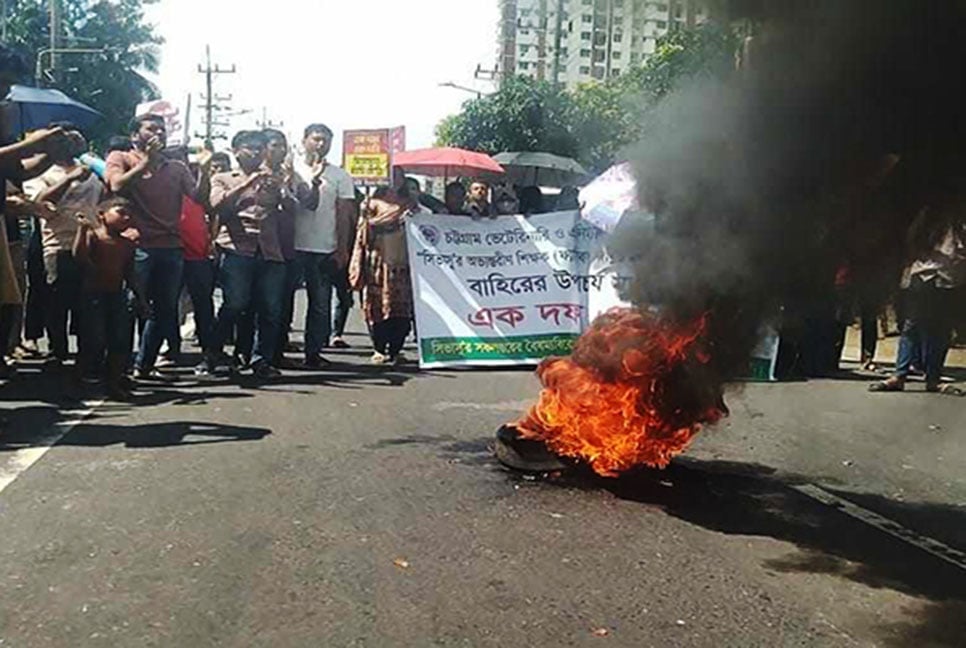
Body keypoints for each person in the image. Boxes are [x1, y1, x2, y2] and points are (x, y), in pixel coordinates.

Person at [104, 114, 210, 380]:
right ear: (134, 136)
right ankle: (118, 365)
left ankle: (144, 365)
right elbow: (116, 183)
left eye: (162, 130)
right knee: (130, 305)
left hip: (171, 246)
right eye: (151, 129)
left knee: (163, 309)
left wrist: (205, 171)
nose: (158, 133)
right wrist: (146, 163)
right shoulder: (121, 157)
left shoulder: (176, 167)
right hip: (137, 245)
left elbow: (198, 198)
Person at [197, 130, 306, 380]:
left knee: (270, 309)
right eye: (249, 148)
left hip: (270, 250)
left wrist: (283, 188)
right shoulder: (224, 177)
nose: (256, 153)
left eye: (259, 148)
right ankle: (212, 355)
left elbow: (292, 208)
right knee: (235, 304)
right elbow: (215, 205)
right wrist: (247, 184)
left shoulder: (276, 177)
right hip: (237, 249)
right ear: (236, 151)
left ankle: (261, 360)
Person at [23, 124, 103, 368]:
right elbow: (39, 202)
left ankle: (85, 354)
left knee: (86, 303)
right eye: (61, 141)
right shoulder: (40, 174)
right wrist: (69, 180)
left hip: (90, 245)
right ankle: (58, 352)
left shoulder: (91, 171)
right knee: (58, 302)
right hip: (58, 246)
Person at [870, 205, 965, 395]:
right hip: (924, 276)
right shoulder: (927, 220)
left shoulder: (956, 223)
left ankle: (931, 379)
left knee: (939, 330)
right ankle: (901, 375)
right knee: (912, 327)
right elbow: (911, 244)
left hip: (947, 279)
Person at [293, 123, 356, 365]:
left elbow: (344, 215)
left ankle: (313, 353)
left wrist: (341, 249)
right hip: (291, 248)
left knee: (320, 305)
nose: (321, 145)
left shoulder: (340, 176)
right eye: (316, 139)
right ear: (304, 140)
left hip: (324, 249)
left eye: (326, 141)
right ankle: (273, 353)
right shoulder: (292, 169)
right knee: (280, 302)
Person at [349, 179, 429, 365]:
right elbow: (363, 234)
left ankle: (395, 350)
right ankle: (378, 348)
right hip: (377, 263)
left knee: (401, 311)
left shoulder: (413, 207)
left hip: (404, 265)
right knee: (376, 308)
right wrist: (381, 220)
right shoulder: (371, 203)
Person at [72, 197, 141, 398]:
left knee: (117, 340)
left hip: (116, 295)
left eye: (129, 215)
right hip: (93, 295)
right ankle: (78, 381)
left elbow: (130, 273)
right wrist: (82, 230)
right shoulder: (94, 236)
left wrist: (141, 298)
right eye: (121, 213)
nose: (126, 218)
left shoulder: (127, 244)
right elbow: (80, 257)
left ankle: (113, 383)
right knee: (92, 340)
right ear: (102, 215)